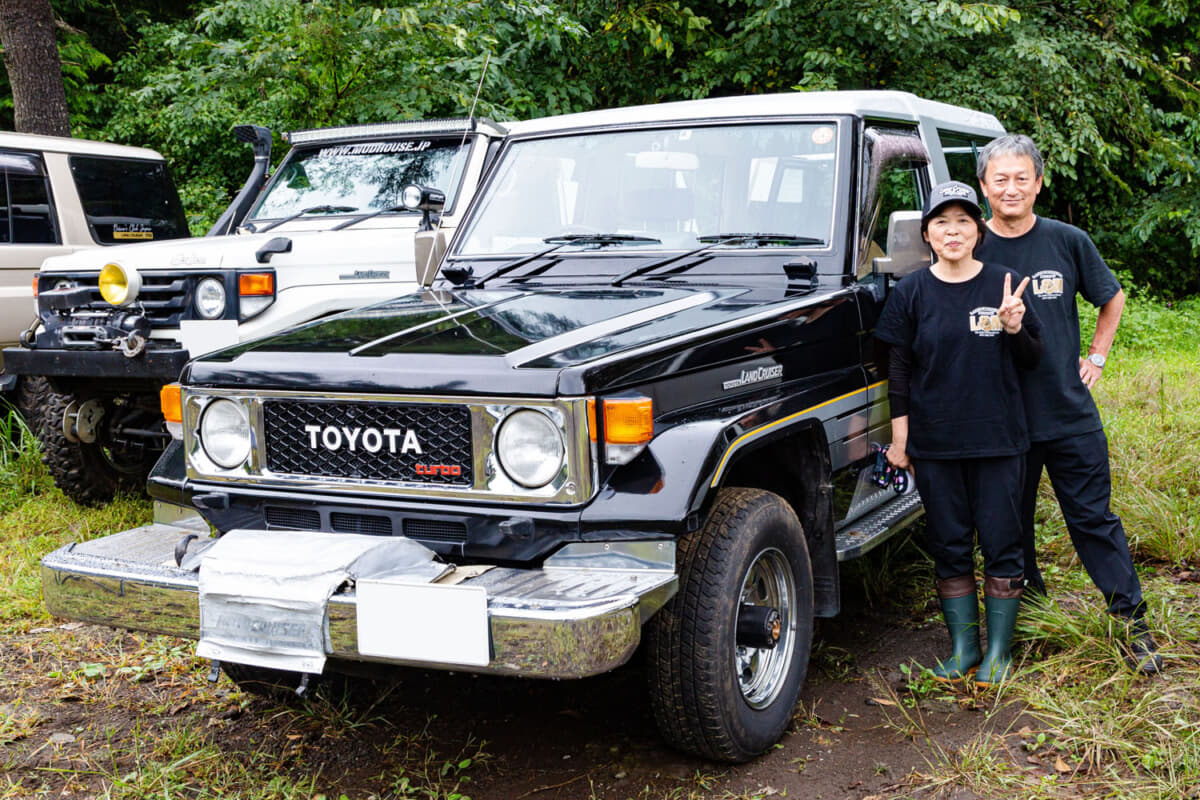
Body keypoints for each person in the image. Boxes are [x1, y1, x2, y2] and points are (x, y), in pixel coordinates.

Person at [973, 134, 1163, 673]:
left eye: (1021, 178)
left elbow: (1112, 296)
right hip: (1000, 420)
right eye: (1000, 179)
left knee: (1093, 519)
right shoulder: (969, 244)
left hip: (1067, 411)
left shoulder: (1067, 240)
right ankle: (1028, 618)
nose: (1011, 189)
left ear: (1039, 183)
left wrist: (1097, 356)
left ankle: (1132, 625)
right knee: (1009, 528)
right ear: (984, 186)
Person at [876, 181, 1042, 686]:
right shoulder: (910, 293)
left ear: (978, 231)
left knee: (1002, 541)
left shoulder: (1003, 285)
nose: (953, 231)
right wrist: (900, 439)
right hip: (935, 444)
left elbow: (1033, 359)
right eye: (942, 223)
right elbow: (898, 372)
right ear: (927, 234)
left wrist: (1014, 328)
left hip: (998, 440)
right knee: (948, 544)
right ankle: (963, 649)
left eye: (964, 221)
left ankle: (999, 653)